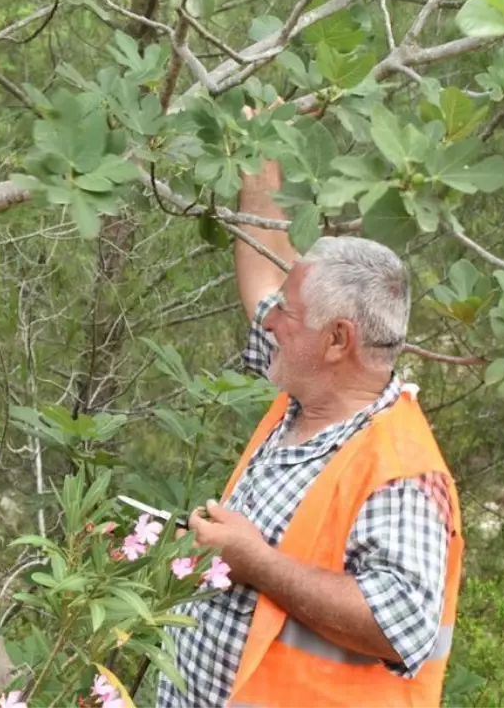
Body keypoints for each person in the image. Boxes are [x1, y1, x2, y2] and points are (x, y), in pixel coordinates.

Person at [157, 135, 463, 706]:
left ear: (337, 340)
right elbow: (265, 281)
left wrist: (257, 563)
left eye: (288, 314)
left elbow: (402, 626)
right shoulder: (302, 391)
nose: (270, 320)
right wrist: (252, 145)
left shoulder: (400, 470)